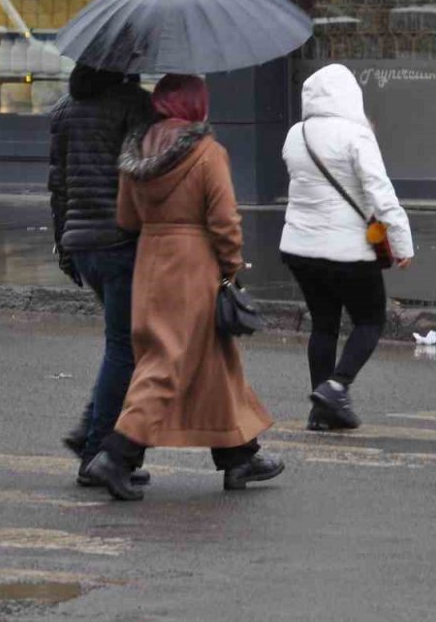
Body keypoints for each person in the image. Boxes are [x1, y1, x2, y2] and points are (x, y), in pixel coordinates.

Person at [84, 74, 282, 500]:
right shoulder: (208, 153)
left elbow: (126, 218)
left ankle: (239, 454)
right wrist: (231, 268)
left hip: (151, 261)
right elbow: (225, 220)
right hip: (193, 265)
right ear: (197, 107)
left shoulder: (135, 152)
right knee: (165, 362)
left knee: (215, 360)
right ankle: (116, 455)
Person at [279, 64, 414, 431]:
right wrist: (402, 241)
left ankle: (321, 410)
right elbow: (380, 195)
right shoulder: (356, 135)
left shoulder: (296, 134)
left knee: (323, 325)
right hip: (347, 251)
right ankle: (337, 386)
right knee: (370, 321)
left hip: (299, 248)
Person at [48, 64, 153, 488]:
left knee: (123, 347)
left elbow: (57, 184)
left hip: (81, 241)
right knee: (125, 349)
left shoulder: (65, 109)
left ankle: (90, 436)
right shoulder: (134, 104)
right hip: (120, 242)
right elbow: (143, 175)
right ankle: (96, 451)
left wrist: (63, 244)